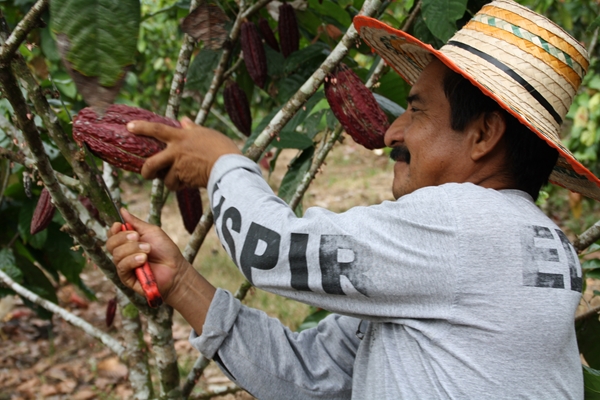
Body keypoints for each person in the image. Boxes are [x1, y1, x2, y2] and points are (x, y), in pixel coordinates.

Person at [106, 0, 600, 398]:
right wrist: (182, 286)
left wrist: (220, 162)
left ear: (483, 134)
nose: (391, 132)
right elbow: (310, 375)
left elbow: (272, 249)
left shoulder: (465, 225)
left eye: (416, 110)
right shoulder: (535, 242)